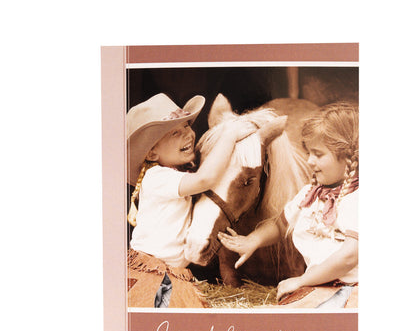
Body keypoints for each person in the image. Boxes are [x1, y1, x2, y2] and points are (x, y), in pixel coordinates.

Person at [218, 102, 359, 308]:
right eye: (309, 153)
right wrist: (253, 240)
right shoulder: (310, 194)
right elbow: (280, 224)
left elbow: (349, 257)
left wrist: (302, 280)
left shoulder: (357, 199)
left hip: (351, 288)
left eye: (318, 154)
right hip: (321, 286)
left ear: (348, 158)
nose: (309, 161)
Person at [126, 93, 254, 308]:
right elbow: (205, 179)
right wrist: (229, 136)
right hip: (154, 271)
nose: (187, 134)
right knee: (160, 311)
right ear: (152, 153)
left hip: (171, 272)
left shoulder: (178, 174)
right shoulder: (157, 177)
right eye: (175, 132)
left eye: (186, 126)